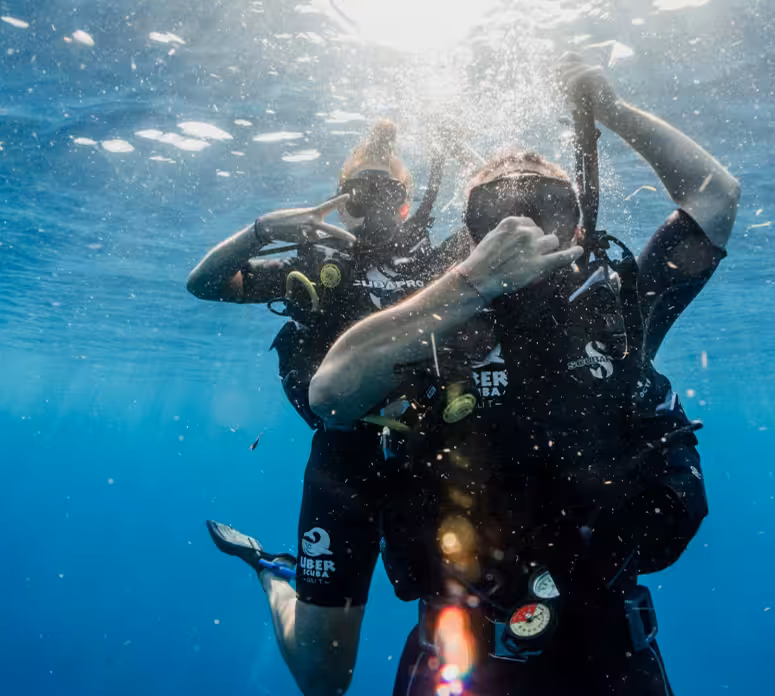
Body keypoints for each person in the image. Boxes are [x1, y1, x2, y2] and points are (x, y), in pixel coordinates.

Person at [308, 53, 740, 695]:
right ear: (472, 229)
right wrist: (471, 283)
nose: (523, 209)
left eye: (546, 198)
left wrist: (615, 113)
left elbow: (715, 195)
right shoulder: (434, 309)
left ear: (577, 218)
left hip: (611, 661)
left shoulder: (614, 306)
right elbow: (331, 394)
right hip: (454, 660)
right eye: (498, 203)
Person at [187, 121, 461, 696]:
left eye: (385, 193)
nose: (371, 206)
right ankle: (276, 572)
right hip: (344, 463)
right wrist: (261, 231)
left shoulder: (442, 267)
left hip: (430, 461)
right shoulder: (312, 268)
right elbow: (205, 283)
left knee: (450, 621)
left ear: (408, 205)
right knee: (323, 679)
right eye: (357, 194)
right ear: (337, 204)